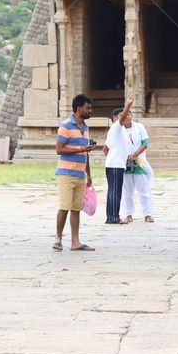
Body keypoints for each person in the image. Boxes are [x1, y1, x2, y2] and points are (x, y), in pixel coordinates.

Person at [53, 94, 97, 252]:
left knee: (76, 209)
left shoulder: (85, 127)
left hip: (80, 174)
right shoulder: (66, 126)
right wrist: (80, 149)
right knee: (64, 207)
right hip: (66, 173)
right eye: (88, 108)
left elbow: (85, 154)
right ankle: (58, 239)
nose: (90, 110)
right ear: (79, 109)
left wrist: (89, 175)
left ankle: (75, 242)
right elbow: (59, 149)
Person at [104, 99, 136, 225]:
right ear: (115, 117)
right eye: (123, 115)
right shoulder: (116, 127)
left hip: (116, 163)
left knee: (114, 191)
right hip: (115, 164)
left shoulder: (120, 130)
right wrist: (127, 106)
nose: (126, 116)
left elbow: (106, 149)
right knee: (114, 191)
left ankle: (112, 216)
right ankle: (113, 217)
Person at [120, 112, 153, 223]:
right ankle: (128, 214)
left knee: (144, 189)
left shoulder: (139, 127)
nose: (127, 117)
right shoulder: (119, 129)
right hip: (125, 164)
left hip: (139, 162)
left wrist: (136, 154)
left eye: (129, 114)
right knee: (127, 191)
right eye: (125, 115)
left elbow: (145, 143)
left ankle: (148, 214)